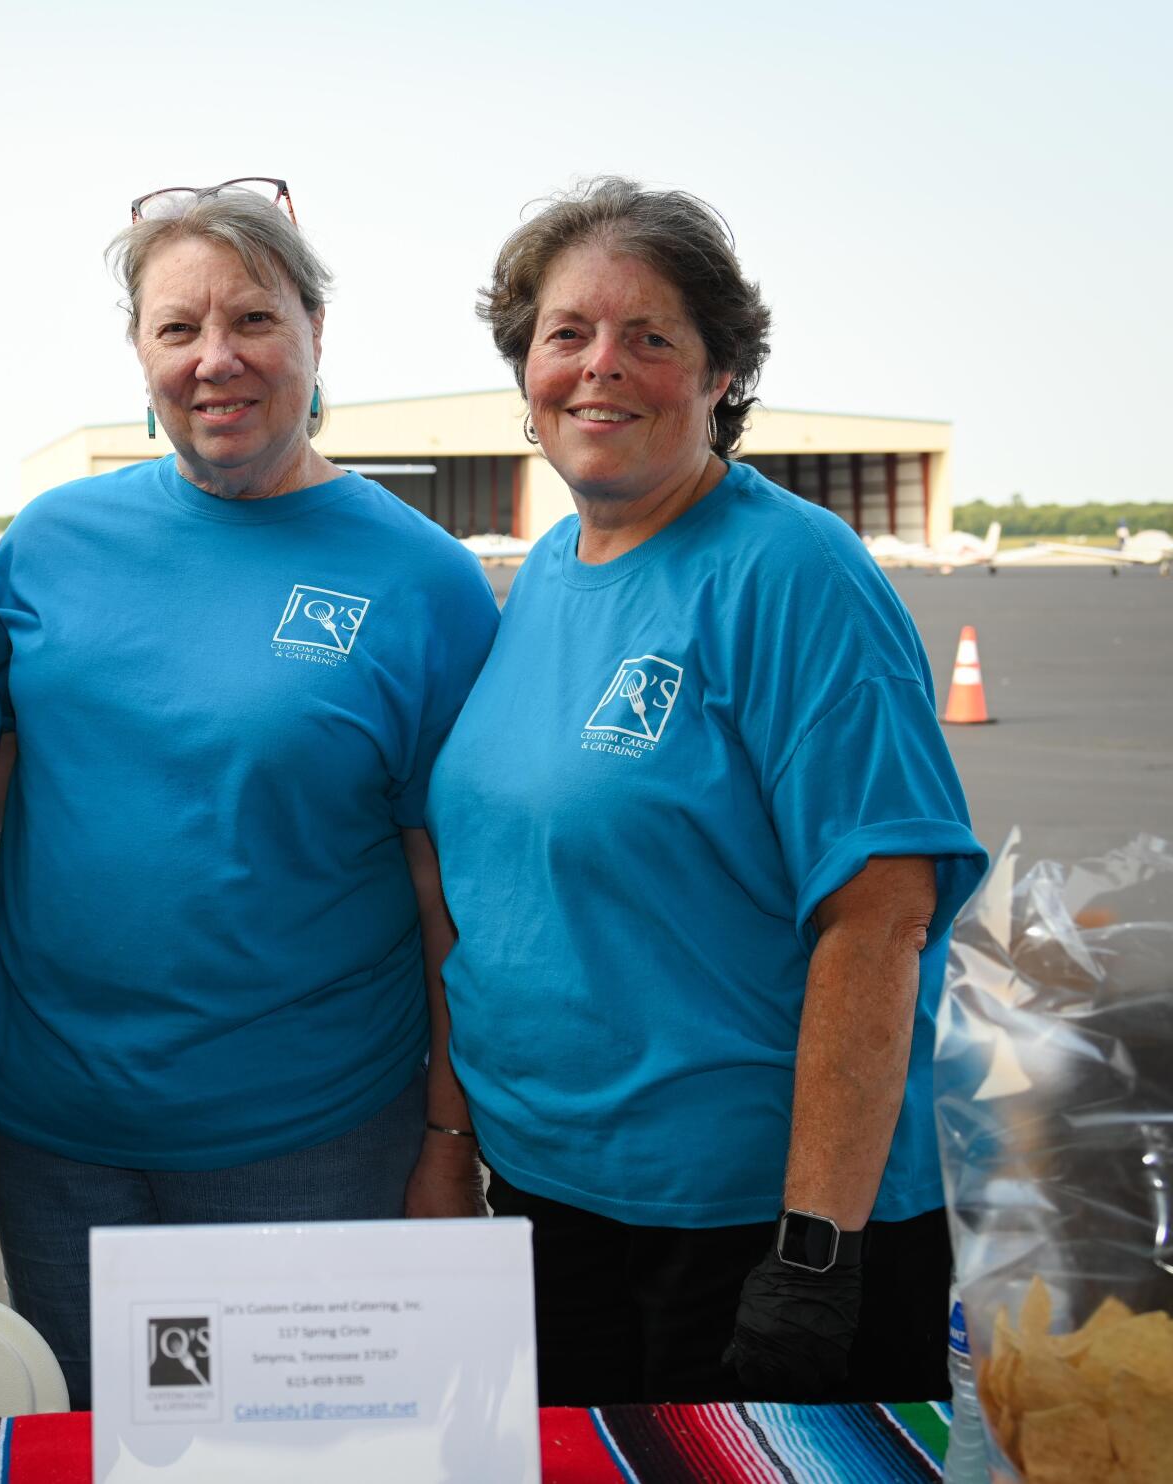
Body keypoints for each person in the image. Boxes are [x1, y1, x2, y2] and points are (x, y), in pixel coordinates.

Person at [423, 178, 988, 1406]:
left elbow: (881, 914)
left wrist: (816, 1247)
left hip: (749, 1230)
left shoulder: (793, 574)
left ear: (723, 371)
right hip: (558, 1201)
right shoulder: (550, 578)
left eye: (651, 336)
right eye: (564, 334)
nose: (599, 366)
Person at [0, 179, 500, 1406]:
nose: (217, 359)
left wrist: (446, 1141)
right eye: (177, 328)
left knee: (289, 1446)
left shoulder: (423, 581)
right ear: (140, 353)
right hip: (56, 1135)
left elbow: (455, 899)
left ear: (318, 334)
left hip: (307, 1138)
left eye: (254, 320)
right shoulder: (49, 543)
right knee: (96, 1438)